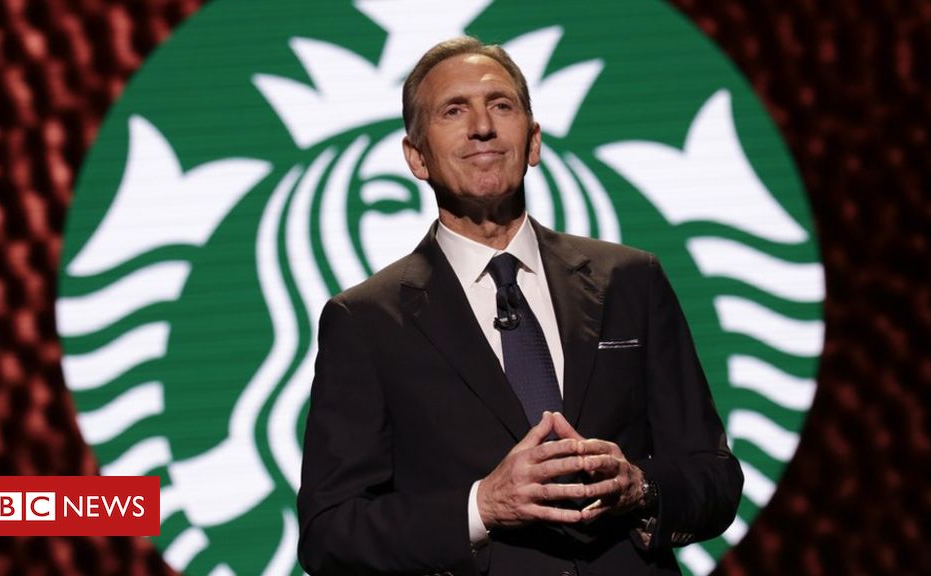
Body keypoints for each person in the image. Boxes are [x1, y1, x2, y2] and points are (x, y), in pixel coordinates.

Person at [297, 37, 743, 575]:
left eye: (501, 105)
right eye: (453, 110)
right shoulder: (367, 321)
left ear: (532, 142)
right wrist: (481, 506)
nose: (482, 126)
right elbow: (330, 534)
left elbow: (715, 477)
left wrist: (641, 487)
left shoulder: (631, 281)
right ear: (416, 157)